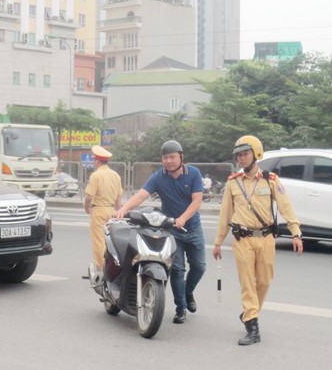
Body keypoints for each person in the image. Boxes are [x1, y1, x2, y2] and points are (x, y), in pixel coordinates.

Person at [213, 135, 303, 346]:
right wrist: (218, 242)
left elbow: (286, 207)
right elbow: (225, 215)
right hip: (242, 239)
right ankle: (252, 326)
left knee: (263, 281)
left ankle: (248, 313)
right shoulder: (233, 183)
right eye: (238, 155)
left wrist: (296, 233)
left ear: (256, 154)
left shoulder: (270, 180)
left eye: (245, 154)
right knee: (247, 283)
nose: (241, 158)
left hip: (266, 238)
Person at [115, 140, 205, 324]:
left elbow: (197, 201)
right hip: (171, 230)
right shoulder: (159, 177)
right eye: (165, 158)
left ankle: (188, 292)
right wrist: (123, 210)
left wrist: (183, 218)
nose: (168, 161)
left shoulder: (194, 173)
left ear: (181, 156)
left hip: (193, 228)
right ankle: (181, 309)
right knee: (178, 270)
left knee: (200, 266)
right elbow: (141, 195)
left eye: (172, 157)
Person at [83, 145, 123, 279]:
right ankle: (114, 268)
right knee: (110, 241)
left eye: (94, 160)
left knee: (99, 241)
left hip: (99, 210)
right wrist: (119, 212)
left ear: (97, 161)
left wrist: (86, 207)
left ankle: (102, 270)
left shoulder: (96, 175)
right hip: (112, 211)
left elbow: (89, 196)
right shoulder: (115, 175)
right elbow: (119, 197)